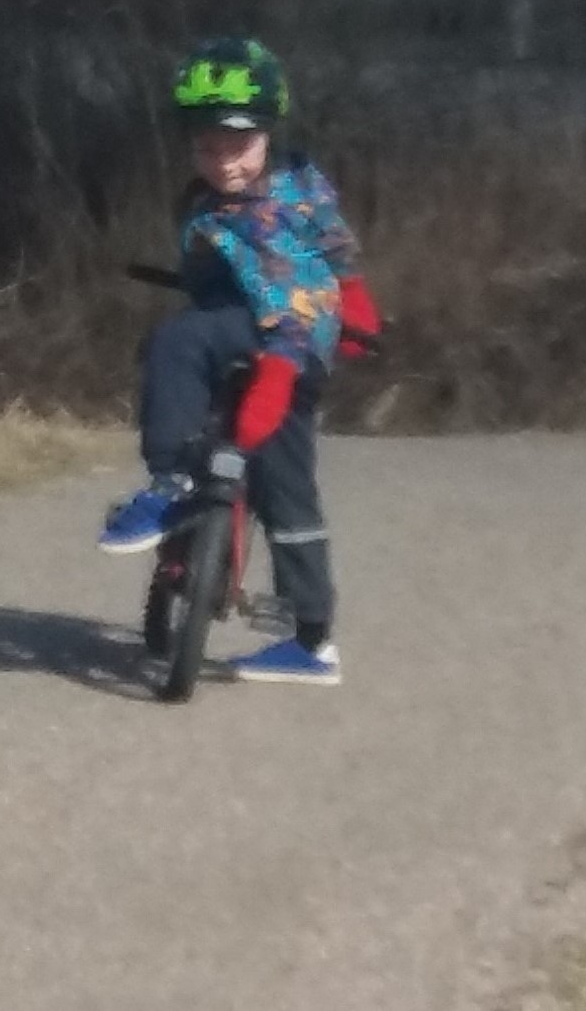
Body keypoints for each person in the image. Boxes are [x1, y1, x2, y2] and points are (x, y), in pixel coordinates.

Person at [97, 38, 381, 686]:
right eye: (206, 148)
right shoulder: (202, 200)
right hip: (266, 329)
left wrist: (357, 310)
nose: (223, 163)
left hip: (282, 332)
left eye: (238, 146)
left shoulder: (296, 192)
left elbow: (332, 257)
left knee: (179, 345)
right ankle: (310, 642)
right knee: (286, 488)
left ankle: (170, 484)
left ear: (268, 136)